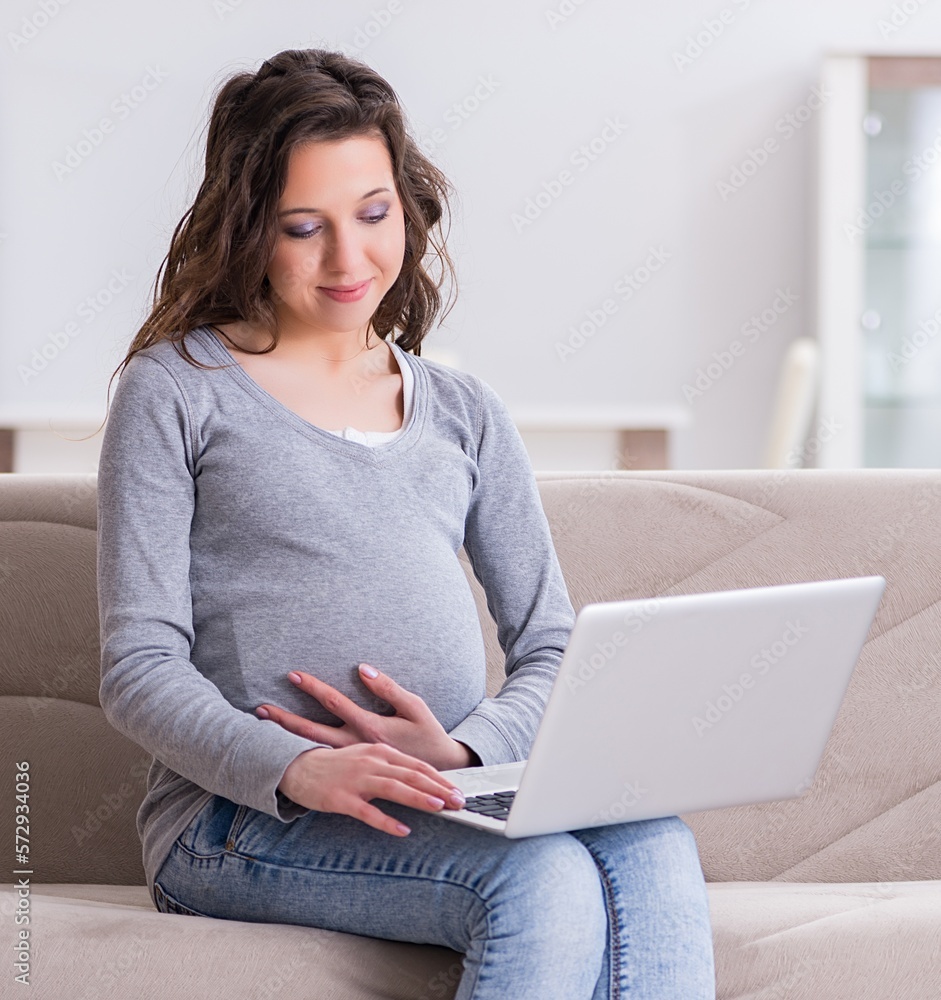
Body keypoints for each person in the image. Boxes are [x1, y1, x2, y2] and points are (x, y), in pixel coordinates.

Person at [96, 47, 716, 999]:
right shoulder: (177, 392)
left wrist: (466, 750)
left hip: (444, 795)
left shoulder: (463, 411)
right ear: (247, 228)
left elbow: (553, 646)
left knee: (651, 838)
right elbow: (139, 671)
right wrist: (302, 769)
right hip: (239, 821)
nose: (350, 261)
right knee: (543, 879)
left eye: (373, 215)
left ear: (408, 206)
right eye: (305, 228)